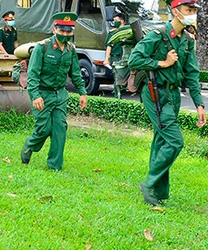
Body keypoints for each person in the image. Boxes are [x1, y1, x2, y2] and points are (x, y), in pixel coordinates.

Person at [128, 0, 207, 206]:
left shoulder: (187, 39)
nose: (193, 14)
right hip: (155, 94)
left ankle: (158, 192)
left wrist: (199, 104)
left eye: (194, 10)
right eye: (189, 10)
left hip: (172, 97)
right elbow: (135, 59)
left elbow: (192, 73)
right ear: (175, 10)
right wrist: (162, 63)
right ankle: (150, 183)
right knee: (174, 141)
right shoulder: (159, 35)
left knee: (161, 139)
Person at [20, 12, 88, 170]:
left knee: (60, 129)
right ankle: (29, 146)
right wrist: (35, 96)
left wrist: (82, 93)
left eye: (68, 32)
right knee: (44, 128)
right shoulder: (42, 47)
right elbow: (33, 75)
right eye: (62, 31)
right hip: (43, 94)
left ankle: (54, 166)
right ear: (54, 30)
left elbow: (76, 73)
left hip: (60, 94)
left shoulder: (71, 50)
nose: (65, 35)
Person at [104, 11, 129, 99]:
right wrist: (106, 59)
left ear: (122, 21)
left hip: (127, 57)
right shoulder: (112, 33)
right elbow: (109, 46)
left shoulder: (128, 31)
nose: (114, 22)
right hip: (116, 58)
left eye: (116, 20)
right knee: (117, 77)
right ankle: (117, 96)